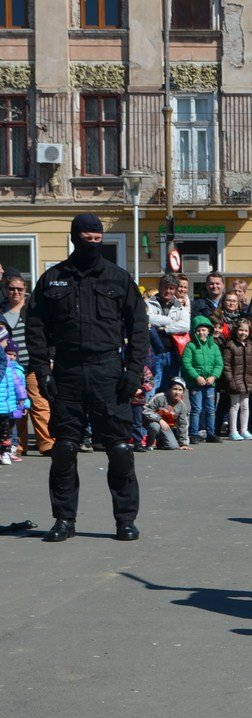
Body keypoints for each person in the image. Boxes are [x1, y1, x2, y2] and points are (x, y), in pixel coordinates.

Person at [26, 213, 149, 542]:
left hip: (109, 371)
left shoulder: (118, 278)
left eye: (97, 240)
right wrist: (42, 370)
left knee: (120, 449)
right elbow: (35, 328)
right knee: (64, 449)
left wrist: (133, 371)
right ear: (74, 238)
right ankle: (64, 520)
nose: (92, 245)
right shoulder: (52, 280)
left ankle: (125, 520)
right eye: (86, 239)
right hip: (66, 372)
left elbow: (138, 328)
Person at [3, 274, 51, 456]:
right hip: (10, 368)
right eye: (12, 288)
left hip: (32, 364)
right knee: (17, 407)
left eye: (19, 289)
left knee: (39, 404)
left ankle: (46, 443)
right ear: (6, 290)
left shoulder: (33, 309)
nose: (15, 292)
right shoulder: (1, 311)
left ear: (25, 290)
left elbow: (47, 334)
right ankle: (19, 445)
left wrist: (49, 358)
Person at [145, 273, 191, 391]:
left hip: (173, 353)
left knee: (169, 388)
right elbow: (148, 318)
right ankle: (151, 409)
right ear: (160, 287)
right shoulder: (149, 303)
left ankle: (164, 410)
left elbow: (185, 326)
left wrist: (165, 329)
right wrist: (171, 320)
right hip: (154, 353)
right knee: (152, 387)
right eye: (166, 287)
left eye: (171, 288)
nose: (168, 291)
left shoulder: (179, 306)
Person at [182, 314, 224, 444]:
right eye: (198, 330)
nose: (201, 332)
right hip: (196, 383)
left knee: (210, 409)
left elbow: (219, 364)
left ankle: (210, 433)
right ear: (194, 331)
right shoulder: (190, 346)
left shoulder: (214, 346)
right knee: (196, 409)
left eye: (204, 330)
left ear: (209, 331)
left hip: (210, 383)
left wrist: (214, 376)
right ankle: (194, 433)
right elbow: (186, 363)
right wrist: (196, 377)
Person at [220, 318, 252, 441]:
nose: (243, 333)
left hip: (247, 380)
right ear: (236, 330)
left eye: (246, 331)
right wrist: (230, 380)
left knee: (245, 406)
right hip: (234, 380)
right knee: (235, 406)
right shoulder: (230, 345)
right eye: (241, 330)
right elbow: (226, 365)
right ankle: (233, 431)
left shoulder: (250, 345)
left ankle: (244, 429)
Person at [144, 377, 191, 450]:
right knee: (155, 426)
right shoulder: (159, 397)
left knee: (173, 446)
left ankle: (160, 441)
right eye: (175, 389)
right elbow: (146, 409)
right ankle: (149, 444)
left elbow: (183, 425)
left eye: (180, 390)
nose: (177, 392)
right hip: (151, 423)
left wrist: (183, 443)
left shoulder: (182, 406)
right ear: (169, 389)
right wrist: (159, 420)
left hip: (166, 428)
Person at [0, 334, 26, 465]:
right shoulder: (4, 363)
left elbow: (18, 383)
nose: (12, 357)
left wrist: (23, 398)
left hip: (8, 404)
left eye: (14, 354)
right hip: (4, 402)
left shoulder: (11, 366)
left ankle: (6, 452)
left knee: (7, 431)